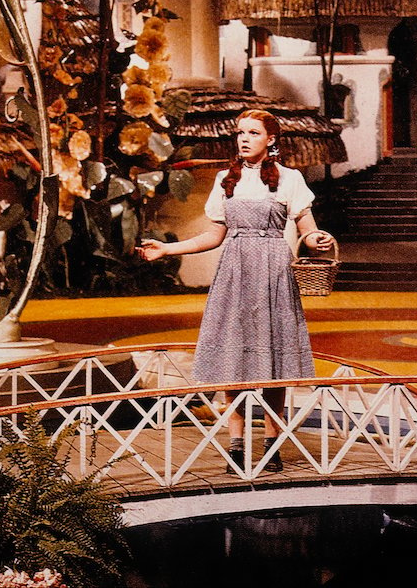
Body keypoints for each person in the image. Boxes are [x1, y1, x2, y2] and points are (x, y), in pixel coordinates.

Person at [138, 109, 333, 473]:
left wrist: (315, 238)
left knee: (274, 365)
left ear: (270, 139)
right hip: (234, 273)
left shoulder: (290, 179)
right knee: (233, 362)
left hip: (274, 272)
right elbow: (213, 236)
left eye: (253, 133)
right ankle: (238, 446)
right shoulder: (226, 178)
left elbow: (307, 227)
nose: (244, 139)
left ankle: (272, 446)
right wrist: (168, 249)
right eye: (240, 132)